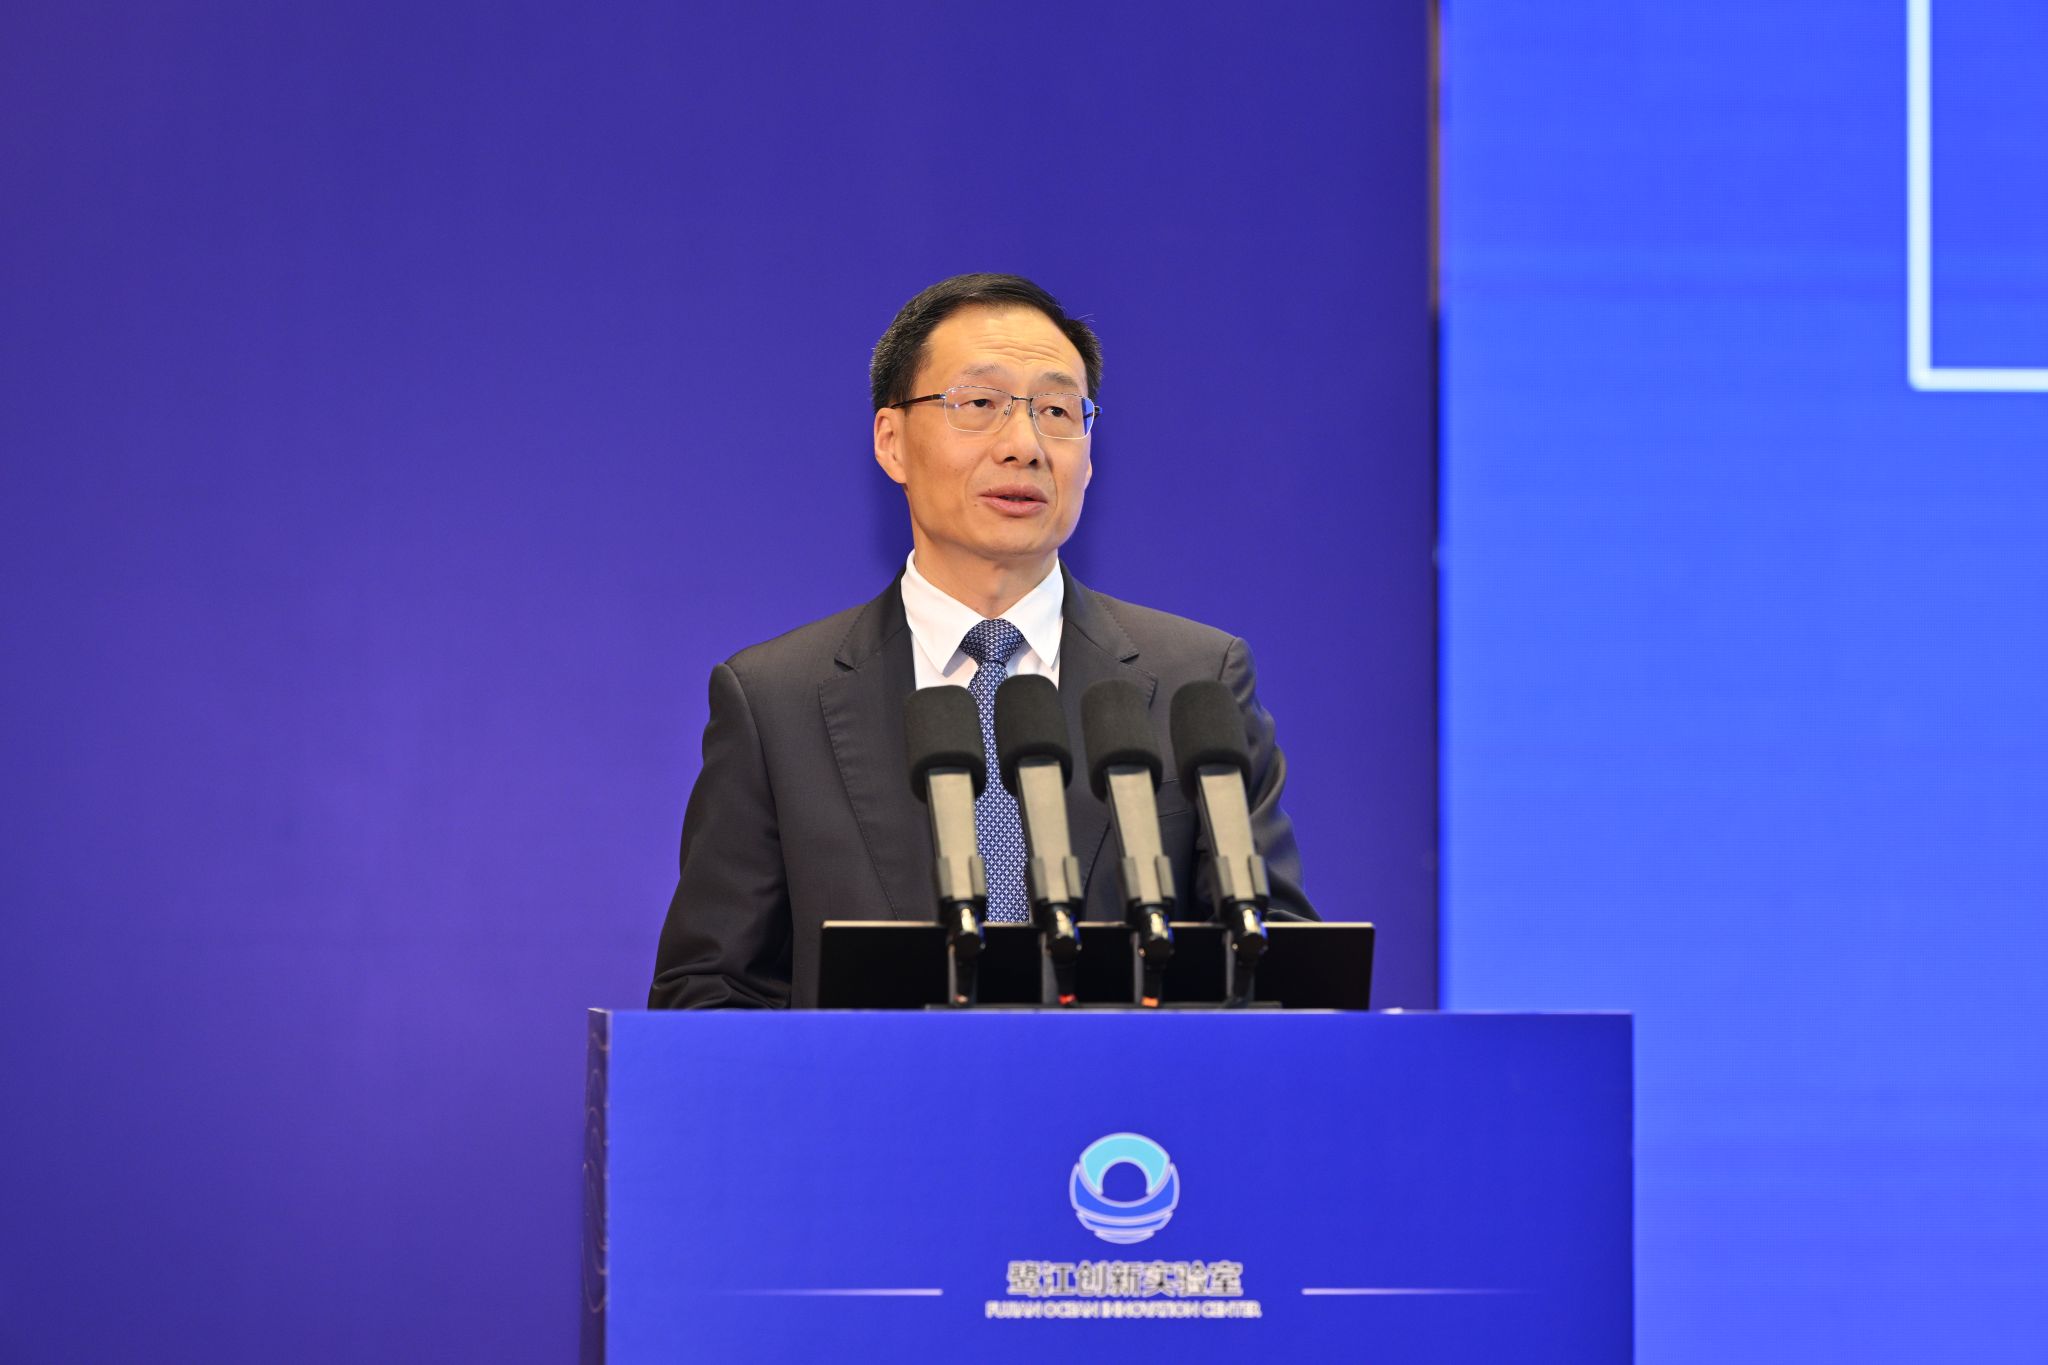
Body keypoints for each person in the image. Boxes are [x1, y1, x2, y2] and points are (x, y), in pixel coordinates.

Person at [648, 273, 1313, 1009]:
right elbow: (711, 994)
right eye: (979, 404)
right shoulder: (776, 700)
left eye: (1057, 410)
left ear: (1090, 455)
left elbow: (1279, 974)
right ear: (892, 441)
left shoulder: (1198, 681)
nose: (1024, 445)